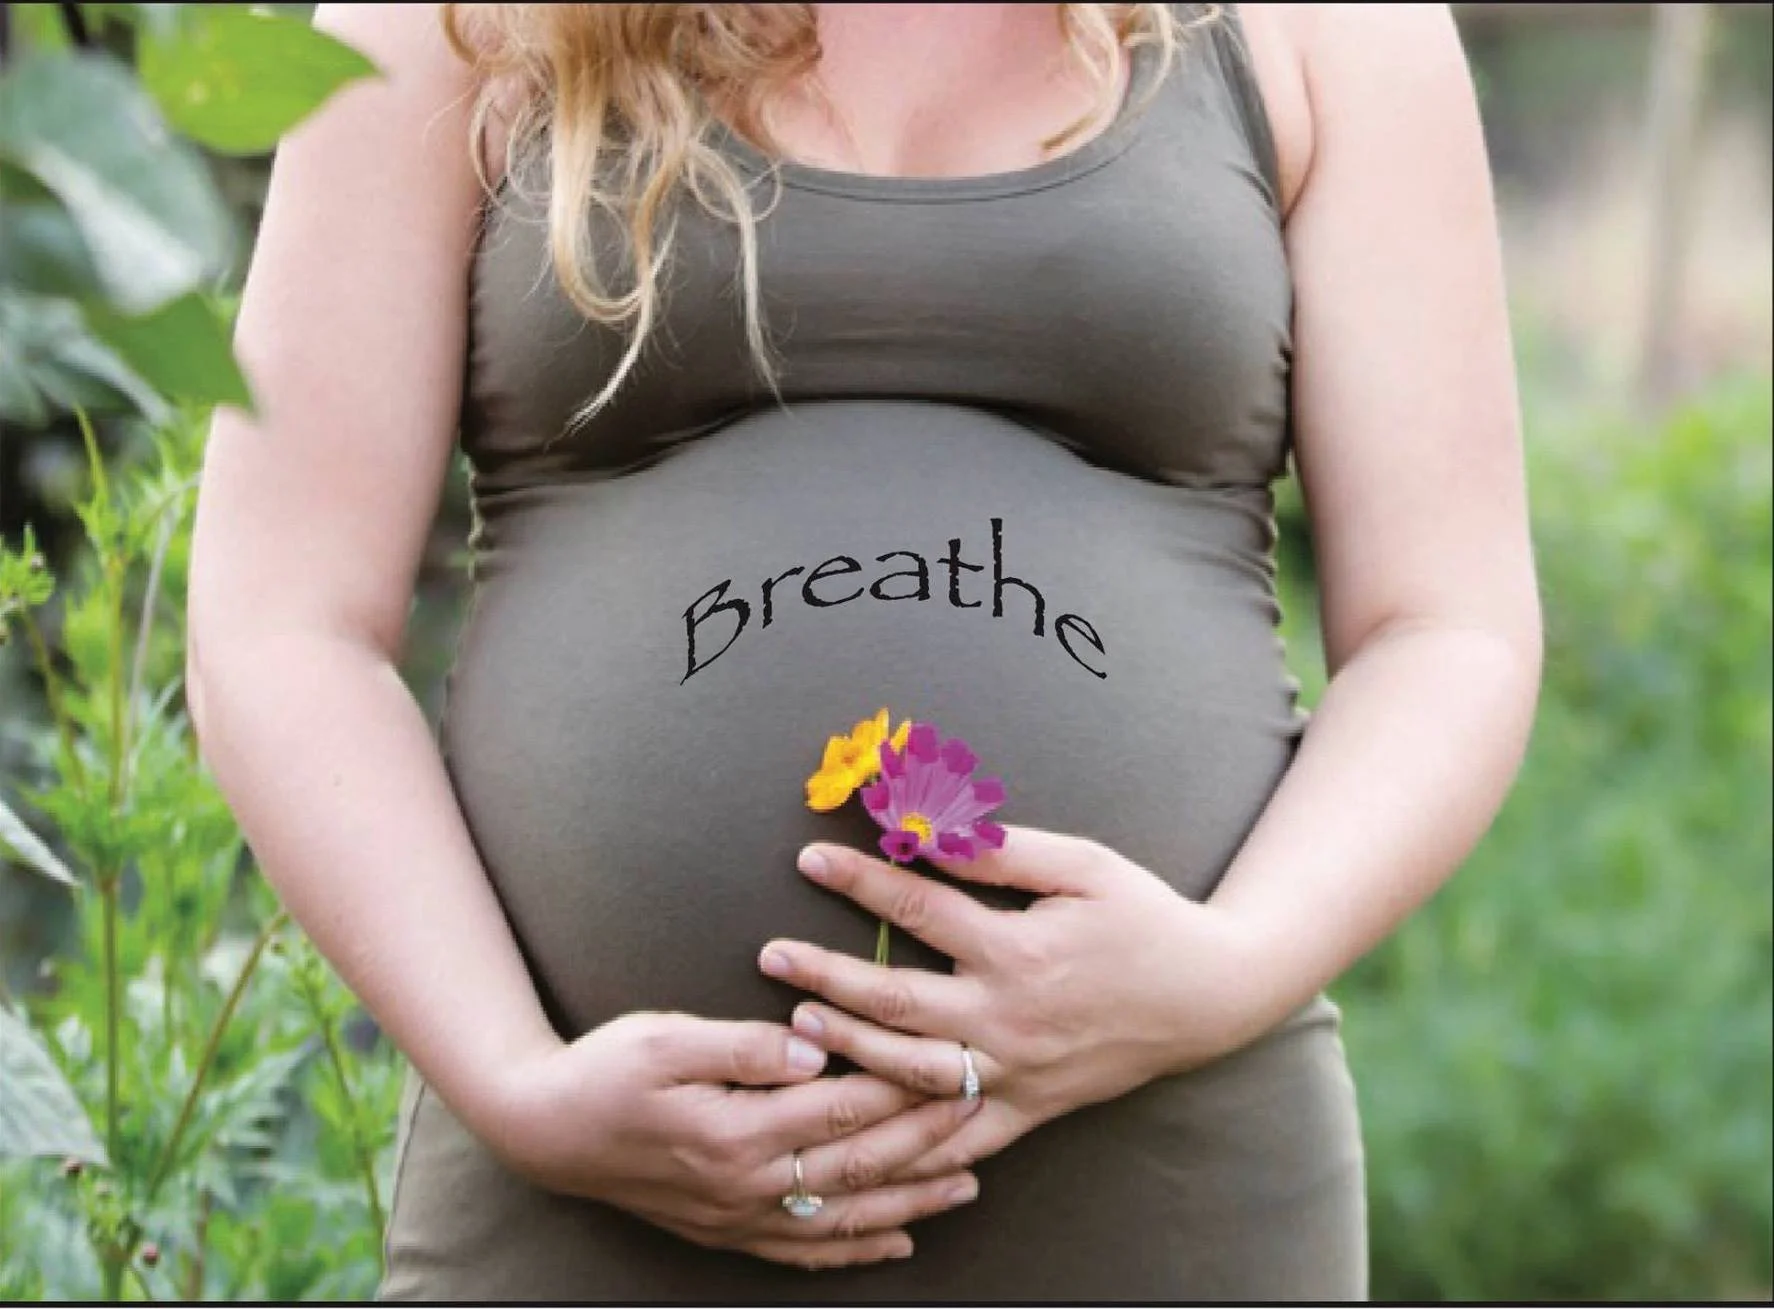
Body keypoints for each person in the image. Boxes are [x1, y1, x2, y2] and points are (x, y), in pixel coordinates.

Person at [185, 1, 1542, 1300]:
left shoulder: (1331, 27)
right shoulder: (451, 20)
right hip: (585, 1205)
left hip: (1161, 1183)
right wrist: (512, 1082)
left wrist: (1225, 969)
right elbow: (284, 619)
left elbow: (1444, 627)